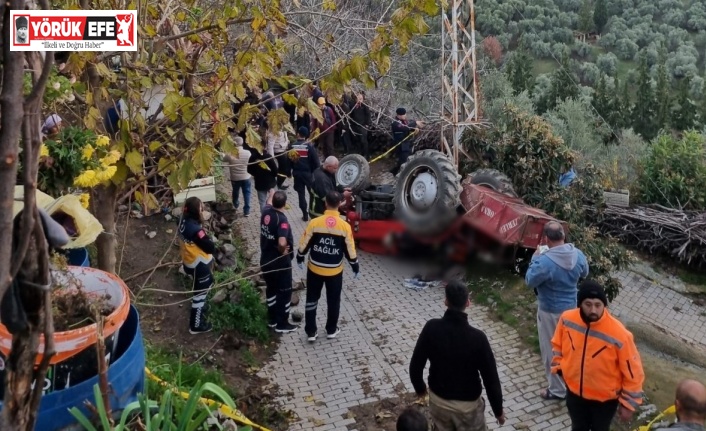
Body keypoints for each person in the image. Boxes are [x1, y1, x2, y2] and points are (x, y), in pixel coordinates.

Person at [551, 280, 645, 431]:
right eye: (588, 304)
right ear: (580, 304)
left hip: (604, 402)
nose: (593, 310)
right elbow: (557, 345)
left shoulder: (619, 335)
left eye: (598, 305)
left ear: (604, 306)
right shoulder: (567, 319)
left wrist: (628, 404)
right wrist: (559, 368)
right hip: (574, 395)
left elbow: (633, 372)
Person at [525, 221, 589, 401]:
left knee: (551, 351)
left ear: (546, 238)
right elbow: (585, 273)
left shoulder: (544, 262)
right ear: (563, 235)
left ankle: (558, 390)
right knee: (569, 349)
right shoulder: (578, 255)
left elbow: (530, 281)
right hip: (572, 309)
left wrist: (535, 257)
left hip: (550, 312)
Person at [296, 191, 359, 343]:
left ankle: (311, 332)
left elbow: (305, 242)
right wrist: (354, 265)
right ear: (339, 205)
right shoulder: (344, 226)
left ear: (325, 204)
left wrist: (299, 256)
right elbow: (350, 248)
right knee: (333, 300)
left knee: (311, 299)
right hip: (334, 271)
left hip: (315, 269)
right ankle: (331, 330)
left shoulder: (315, 223)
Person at [260, 190, 298, 333]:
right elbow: (282, 242)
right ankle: (282, 323)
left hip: (265, 260)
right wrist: (283, 251)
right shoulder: (282, 220)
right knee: (284, 291)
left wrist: (271, 193)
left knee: (271, 289)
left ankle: (272, 319)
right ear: (285, 204)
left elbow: (268, 201)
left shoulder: (266, 211)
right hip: (279, 264)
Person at [178, 197, 215, 334]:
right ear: (195, 211)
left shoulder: (182, 220)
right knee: (199, 294)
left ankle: (200, 307)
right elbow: (210, 247)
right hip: (199, 264)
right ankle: (196, 325)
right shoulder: (195, 230)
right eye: (201, 207)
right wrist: (209, 240)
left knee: (208, 282)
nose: (203, 208)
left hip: (188, 261)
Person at [291, 127, 320, 221]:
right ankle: (312, 211)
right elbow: (316, 162)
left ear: (298, 134)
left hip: (297, 174)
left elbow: (289, 161)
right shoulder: (309, 147)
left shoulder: (292, 146)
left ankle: (304, 214)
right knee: (311, 193)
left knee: (301, 194)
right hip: (308, 174)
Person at [222, 136, 252, 217]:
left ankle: (235, 206)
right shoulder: (248, 153)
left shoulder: (230, 154)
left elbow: (223, 159)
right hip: (246, 177)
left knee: (235, 193)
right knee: (247, 193)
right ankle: (247, 210)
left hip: (235, 178)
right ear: (242, 143)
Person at [246, 142, 278, 214]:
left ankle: (264, 218)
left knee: (262, 202)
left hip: (259, 182)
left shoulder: (252, 157)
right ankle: (272, 216)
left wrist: (256, 174)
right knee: (272, 199)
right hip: (270, 182)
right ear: (264, 147)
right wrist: (272, 175)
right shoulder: (268, 156)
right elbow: (275, 170)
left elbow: (249, 170)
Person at [391, 107, 421, 176]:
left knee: (405, 160)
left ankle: (394, 172)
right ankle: (401, 175)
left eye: (405, 114)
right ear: (399, 115)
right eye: (403, 115)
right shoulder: (395, 123)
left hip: (407, 144)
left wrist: (415, 130)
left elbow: (408, 129)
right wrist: (415, 122)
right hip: (400, 146)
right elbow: (404, 128)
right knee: (404, 161)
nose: (405, 116)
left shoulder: (405, 121)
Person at [349, 91, 372, 159]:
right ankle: (359, 153)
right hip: (355, 126)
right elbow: (350, 115)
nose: (359, 100)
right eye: (358, 98)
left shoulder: (365, 106)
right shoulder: (352, 106)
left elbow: (368, 115)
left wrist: (367, 124)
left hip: (362, 126)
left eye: (361, 99)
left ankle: (366, 155)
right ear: (355, 99)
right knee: (357, 140)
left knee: (363, 141)